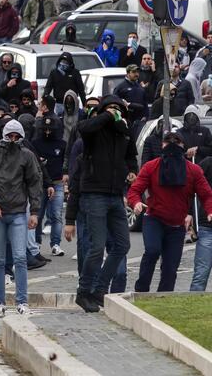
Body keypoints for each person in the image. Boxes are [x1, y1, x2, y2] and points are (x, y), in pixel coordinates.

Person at [74, 96, 137, 312]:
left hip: (115, 194)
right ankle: (83, 292)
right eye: (111, 108)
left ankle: (99, 290)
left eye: (118, 109)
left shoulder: (124, 132)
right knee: (97, 247)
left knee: (122, 245)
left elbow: (132, 158)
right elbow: (83, 128)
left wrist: (131, 171)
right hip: (94, 194)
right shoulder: (94, 130)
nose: (115, 111)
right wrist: (105, 115)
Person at [129, 131, 212, 292]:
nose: (172, 146)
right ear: (162, 146)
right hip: (154, 218)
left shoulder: (193, 170)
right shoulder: (152, 166)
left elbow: (206, 195)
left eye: (177, 142)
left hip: (177, 224)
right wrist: (136, 202)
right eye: (168, 142)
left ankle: (164, 296)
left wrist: (209, 210)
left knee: (170, 266)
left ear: (183, 147)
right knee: (152, 251)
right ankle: (141, 290)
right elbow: (135, 190)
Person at [0, 119, 42, 317]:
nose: (13, 139)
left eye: (17, 136)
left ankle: (22, 301)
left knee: (20, 258)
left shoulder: (27, 155)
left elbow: (34, 182)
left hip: (17, 213)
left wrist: (34, 212)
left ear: (22, 136)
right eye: (10, 135)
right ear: (4, 135)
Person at [33, 117, 67, 257]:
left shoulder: (62, 144)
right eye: (45, 129)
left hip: (57, 182)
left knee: (56, 215)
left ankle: (56, 244)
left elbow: (66, 160)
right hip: (40, 184)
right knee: (38, 214)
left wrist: (66, 173)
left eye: (50, 130)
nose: (47, 132)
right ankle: (37, 242)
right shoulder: (35, 143)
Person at [191, 155, 212, 291]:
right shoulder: (208, 162)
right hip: (207, 226)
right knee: (200, 275)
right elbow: (191, 190)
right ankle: (191, 308)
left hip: (206, 227)